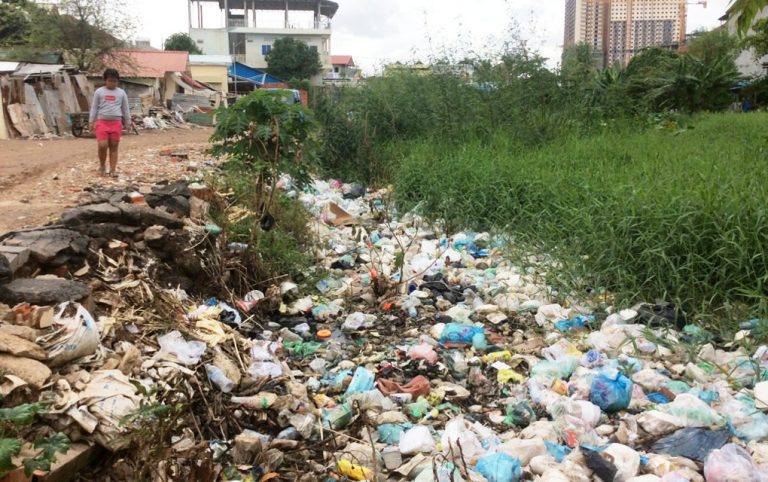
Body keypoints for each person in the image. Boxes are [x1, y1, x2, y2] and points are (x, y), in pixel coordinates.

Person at [89, 68, 130, 177]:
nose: (112, 83)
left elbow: (125, 108)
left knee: (114, 146)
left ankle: (113, 170)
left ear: (118, 81)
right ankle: (102, 166)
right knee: (102, 145)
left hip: (116, 123)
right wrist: (91, 121)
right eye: (110, 80)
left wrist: (128, 122)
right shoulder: (99, 92)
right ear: (105, 80)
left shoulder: (121, 93)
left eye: (114, 81)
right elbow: (94, 107)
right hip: (102, 122)